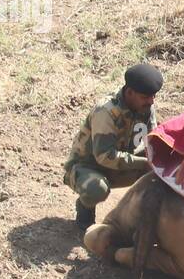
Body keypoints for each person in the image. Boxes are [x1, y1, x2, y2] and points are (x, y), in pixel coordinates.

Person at [64, 63, 163, 234]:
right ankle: (85, 211)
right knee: (97, 189)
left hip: (121, 162)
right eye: (146, 97)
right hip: (89, 167)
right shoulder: (107, 111)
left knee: (161, 173)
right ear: (130, 92)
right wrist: (144, 163)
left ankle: (141, 220)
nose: (151, 101)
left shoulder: (145, 107)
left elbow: (151, 139)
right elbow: (104, 156)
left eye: (153, 96)